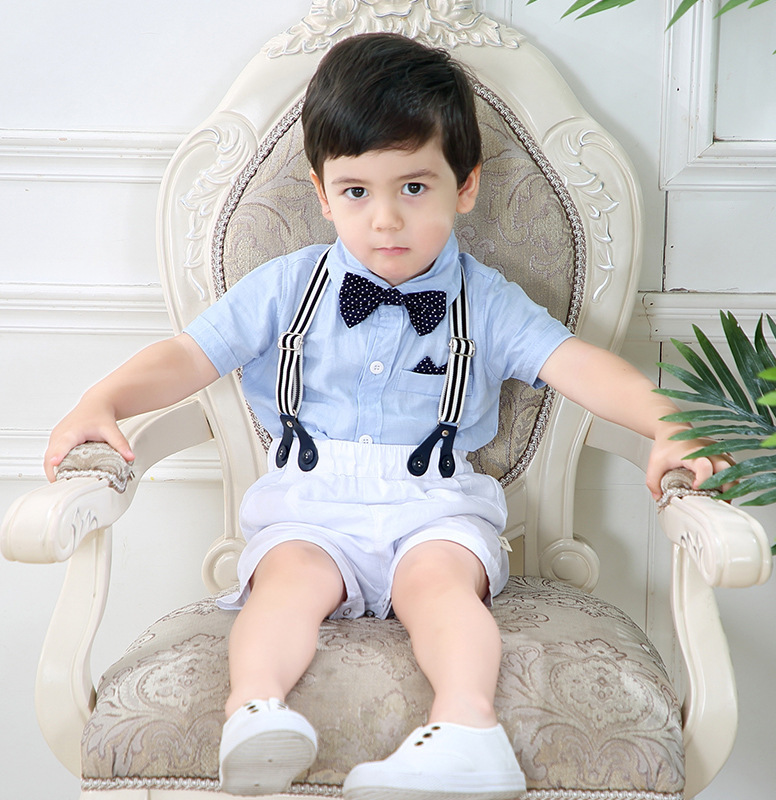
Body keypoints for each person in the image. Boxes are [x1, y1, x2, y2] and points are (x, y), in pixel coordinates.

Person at [44, 33, 729, 800]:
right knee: (285, 584)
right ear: (321, 192)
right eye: (357, 192)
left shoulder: (485, 301)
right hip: (311, 507)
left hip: (434, 506)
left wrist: (668, 422)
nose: (385, 220)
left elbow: (580, 366)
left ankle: (468, 730)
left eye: (413, 187)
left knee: (441, 587)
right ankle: (255, 714)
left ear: (464, 186)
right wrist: (103, 400)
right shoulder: (286, 286)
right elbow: (187, 355)